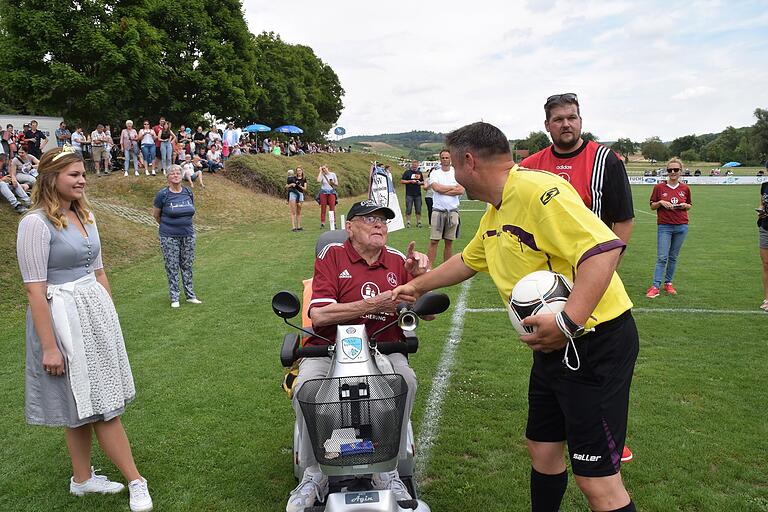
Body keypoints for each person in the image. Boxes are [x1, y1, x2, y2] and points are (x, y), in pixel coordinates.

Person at [393, 122, 638, 512]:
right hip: (554, 346)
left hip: (594, 343)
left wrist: (568, 321)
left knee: (597, 481)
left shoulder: (537, 191)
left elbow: (604, 249)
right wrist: (416, 287)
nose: (453, 175)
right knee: (542, 449)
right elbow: (468, 260)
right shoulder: (496, 210)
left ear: (469, 161)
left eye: (454, 165)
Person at [16, 146, 153, 512]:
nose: (81, 180)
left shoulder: (85, 215)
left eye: (82, 174)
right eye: (73, 175)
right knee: (99, 406)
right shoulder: (35, 223)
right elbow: (34, 288)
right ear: (51, 177)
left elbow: (99, 271)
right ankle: (135, 479)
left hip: (93, 314)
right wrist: (49, 347)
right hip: (61, 320)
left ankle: (82, 479)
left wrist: (110, 319)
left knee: (84, 403)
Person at [286, 200, 430, 512]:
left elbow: (425, 315)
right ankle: (314, 473)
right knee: (307, 386)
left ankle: (387, 469)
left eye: (383, 219)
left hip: (384, 348)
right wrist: (372, 306)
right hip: (329, 348)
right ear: (349, 228)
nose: (380, 224)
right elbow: (320, 315)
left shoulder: (397, 262)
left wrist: (421, 279)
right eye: (370, 219)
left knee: (405, 379)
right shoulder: (332, 255)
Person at [521, 92, 635, 462]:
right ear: (547, 125)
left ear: (581, 120)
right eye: (558, 119)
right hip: (548, 287)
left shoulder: (605, 160)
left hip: (593, 281)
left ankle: (606, 433)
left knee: (600, 355)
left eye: (572, 117)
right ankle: (563, 430)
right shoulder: (532, 165)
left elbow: (623, 220)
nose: (566, 124)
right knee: (556, 358)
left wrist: (604, 273)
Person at [152, 164, 201, 309]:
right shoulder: (163, 195)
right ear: (167, 177)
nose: (175, 175)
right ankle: (175, 297)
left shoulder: (188, 192)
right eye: (172, 173)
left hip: (188, 234)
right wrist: (169, 226)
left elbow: (191, 210)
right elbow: (156, 215)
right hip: (169, 236)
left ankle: (190, 296)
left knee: (187, 265)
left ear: (181, 176)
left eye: (178, 173)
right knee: (172, 266)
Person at [646, 158, 692, 298]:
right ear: (667, 171)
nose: (672, 172)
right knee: (662, 257)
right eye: (670, 170)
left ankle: (668, 283)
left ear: (680, 171)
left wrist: (685, 206)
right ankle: (655, 286)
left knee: (673, 257)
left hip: (681, 226)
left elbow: (689, 205)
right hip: (665, 226)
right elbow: (652, 206)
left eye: (676, 170)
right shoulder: (659, 187)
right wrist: (660, 202)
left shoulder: (685, 188)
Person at [427, 149, 464, 264]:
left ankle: (446, 269)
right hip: (438, 211)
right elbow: (436, 188)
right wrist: (452, 187)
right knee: (434, 241)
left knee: (449, 242)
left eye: (447, 157)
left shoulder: (457, 173)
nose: (445, 160)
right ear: (440, 159)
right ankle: (428, 268)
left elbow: (461, 190)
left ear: (451, 159)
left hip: (452, 211)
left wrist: (443, 189)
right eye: (443, 158)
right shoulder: (435, 173)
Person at [401, 160, 424, 228]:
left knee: (418, 209)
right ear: (412, 165)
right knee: (408, 208)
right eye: (413, 165)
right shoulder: (407, 172)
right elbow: (402, 181)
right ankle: (408, 222)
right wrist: (410, 181)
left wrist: (420, 183)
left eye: (416, 165)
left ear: (418, 165)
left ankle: (419, 222)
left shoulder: (419, 172)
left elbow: (423, 181)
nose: (415, 166)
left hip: (418, 194)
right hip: (409, 194)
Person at [287, 167, 307, 232]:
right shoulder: (293, 178)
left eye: (300, 170)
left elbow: (305, 189)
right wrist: (291, 184)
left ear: (302, 171)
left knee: (299, 212)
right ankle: (293, 227)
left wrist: (300, 186)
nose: (299, 172)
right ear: (296, 172)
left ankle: (298, 227)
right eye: (297, 171)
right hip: (293, 194)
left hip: (300, 194)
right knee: (293, 211)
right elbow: (286, 186)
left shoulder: (304, 179)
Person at [759, 180, 768, 311]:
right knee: (766, 264)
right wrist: (760, 211)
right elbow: (762, 203)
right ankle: (767, 299)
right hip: (765, 227)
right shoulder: (765, 186)